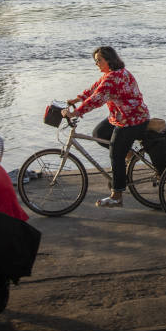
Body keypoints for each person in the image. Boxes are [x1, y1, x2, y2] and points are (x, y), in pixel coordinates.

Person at [64, 46, 150, 209]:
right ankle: (130, 154)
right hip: (122, 116)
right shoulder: (111, 74)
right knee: (100, 132)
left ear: (109, 60)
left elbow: (97, 98)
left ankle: (117, 196)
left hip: (131, 120)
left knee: (115, 154)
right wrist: (76, 99)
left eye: (99, 60)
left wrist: (75, 113)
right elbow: (94, 88)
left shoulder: (113, 78)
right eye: (95, 61)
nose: (96, 63)